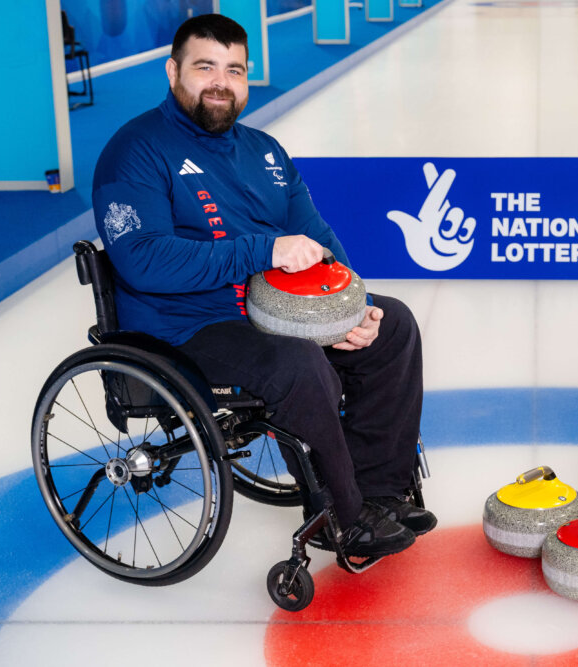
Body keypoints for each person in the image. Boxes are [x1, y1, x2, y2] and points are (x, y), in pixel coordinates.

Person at [92, 14, 435, 558]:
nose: (221, 82)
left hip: (267, 313)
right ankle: (342, 517)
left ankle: (381, 492)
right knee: (295, 363)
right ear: (172, 70)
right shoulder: (136, 150)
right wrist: (263, 249)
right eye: (205, 67)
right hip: (183, 330)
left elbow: (319, 238)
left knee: (391, 326)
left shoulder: (264, 151)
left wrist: (353, 307)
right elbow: (143, 260)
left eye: (235, 69)